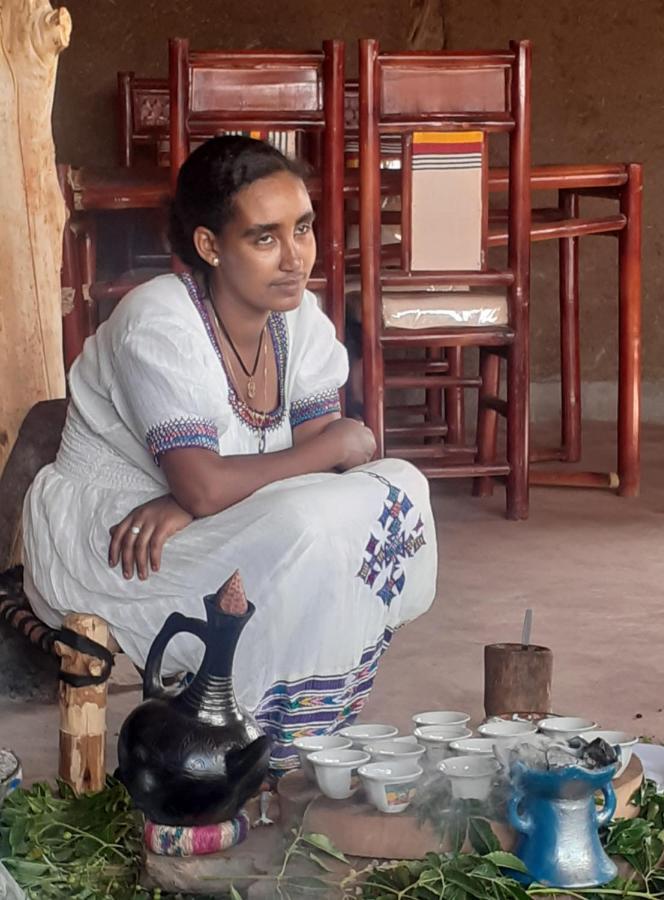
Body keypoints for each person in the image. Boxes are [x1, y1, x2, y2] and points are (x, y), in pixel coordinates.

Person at [22, 135, 437, 773]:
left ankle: (301, 731)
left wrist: (199, 499)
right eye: (264, 238)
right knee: (309, 526)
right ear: (210, 246)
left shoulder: (297, 317)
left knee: (399, 484)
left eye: (302, 228)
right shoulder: (159, 321)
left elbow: (311, 462)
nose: (295, 257)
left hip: (197, 510)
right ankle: (264, 748)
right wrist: (207, 495)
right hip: (116, 535)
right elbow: (272, 466)